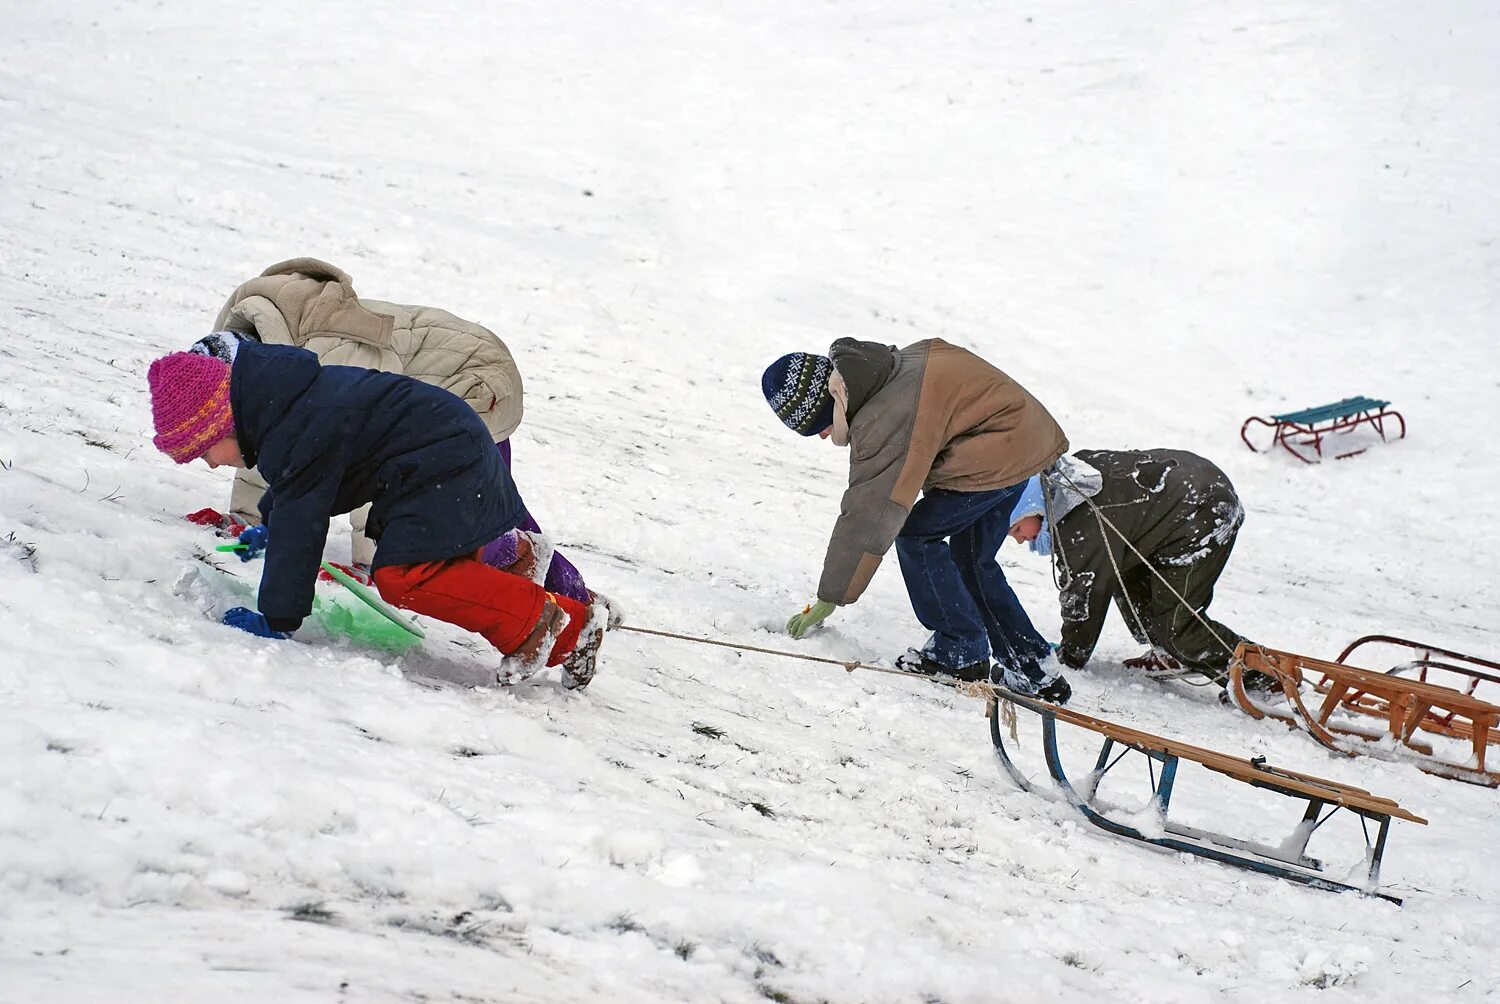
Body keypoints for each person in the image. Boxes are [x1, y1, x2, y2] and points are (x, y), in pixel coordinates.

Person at [146, 343, 607, 689]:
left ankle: (560, 626)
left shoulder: (290, 426)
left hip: (442, 463)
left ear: (220, 420)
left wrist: (277, 617)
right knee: (431, 561)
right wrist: (269, 524)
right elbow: (303, 490)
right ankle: (513, 561)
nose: (210, 463)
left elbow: (303, 518)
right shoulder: (285, 407)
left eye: (203, 451)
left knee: (405, 575)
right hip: (445, 453)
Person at [186, 257, 591, 607]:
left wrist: (369, 561)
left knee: (452, 512)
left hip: (474, 376)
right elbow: (264, 446)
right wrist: (247, 519)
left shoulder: (325, 356)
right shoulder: (268, 361)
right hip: (432, 389)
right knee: (484, 505)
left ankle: (561, 593)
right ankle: (569, 593)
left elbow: (373, 456)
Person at [763, 338, 1072, 702]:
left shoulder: (884, 414)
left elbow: (869, 513)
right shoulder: (884, 370)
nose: (822, 435)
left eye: (818, 425)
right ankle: (1035, 668)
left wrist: (831, 596)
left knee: (916, 537)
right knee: (972, 559)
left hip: (999, 452)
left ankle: (959, 650)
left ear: (829, 401)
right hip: (1022, 442)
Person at [1006, 449, 1260, 690]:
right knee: (1122, 571)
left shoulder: (1080, 523)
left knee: (1176, 626)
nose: (1018, 540)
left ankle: (1260, 677)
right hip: (1187, 491)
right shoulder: (1063, 484)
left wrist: (1070, 655)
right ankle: (1171, 653)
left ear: (1033, 507)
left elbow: (1083, 595)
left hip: (1203, 509)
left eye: (1017, 529)